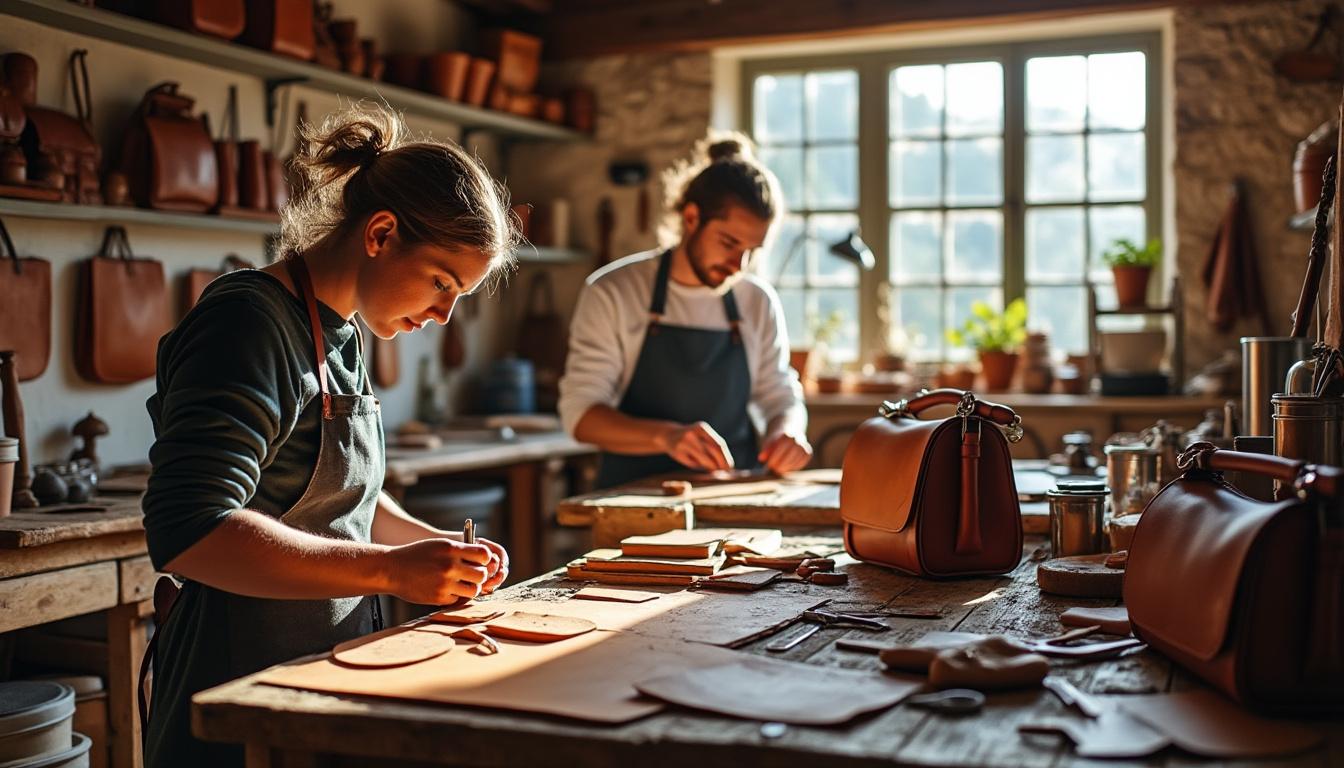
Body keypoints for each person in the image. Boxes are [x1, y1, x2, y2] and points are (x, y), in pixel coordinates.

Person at [141, 104, 517, 767]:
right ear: (379, 234)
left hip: (316, 676)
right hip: (235, 684)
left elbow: (344, 504)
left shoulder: (342, 332)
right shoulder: (247, 324)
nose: (442, 314)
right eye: (440, 282)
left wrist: (428, 548)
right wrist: (390, 570)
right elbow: (191, 530)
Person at [558, 133, 811, 488]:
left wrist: (787, 432)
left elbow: (780, 396)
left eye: (752, 251)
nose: (739, 264)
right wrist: (667, 437)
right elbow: (581, 416)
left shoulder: (756, 301)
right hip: (635, 497)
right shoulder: (614, 292)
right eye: (729, 243)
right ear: (691, 218)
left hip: (733, 494)